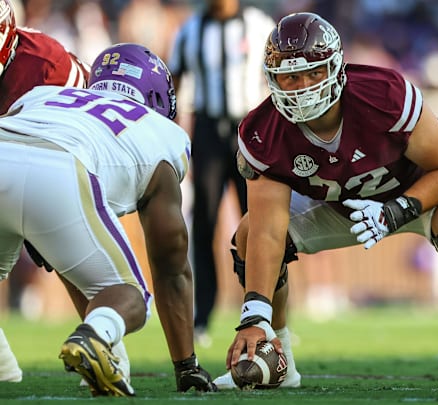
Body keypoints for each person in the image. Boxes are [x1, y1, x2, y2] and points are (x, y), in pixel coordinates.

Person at [217, 12, 438, 390]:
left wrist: (398, 211)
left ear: (336, 69)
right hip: (342, 202)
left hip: (423, 188)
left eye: (313, 73)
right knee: (248, 234)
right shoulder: (263, 129)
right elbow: (266, 230)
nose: (302, 87)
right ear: (272, 79)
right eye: (291, 76)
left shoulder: (384, 93)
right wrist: (254, 317)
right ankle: (278, 361)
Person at [0, 43, 216, 396]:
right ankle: (94, 336)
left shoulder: (44, 95)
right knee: (130, 295)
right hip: (59, 168)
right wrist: (186, 364)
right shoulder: (163, 133)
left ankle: (9, 371)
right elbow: (171, 261)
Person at [167, 0, 275, 346]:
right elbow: (174, 82)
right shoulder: (189, 30)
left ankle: (265, 313)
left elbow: (280, 76)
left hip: (251, 129)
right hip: (209, 132)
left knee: (261, 223)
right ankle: (202, 317)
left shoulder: (259, 25)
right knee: (204, 225)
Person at [0, 0, 96, 383]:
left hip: (60, 157)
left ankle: (108, 352)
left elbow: (83, 128)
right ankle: (4, 370)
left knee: (69, 258)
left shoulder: (43, 64)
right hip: (9, 167)